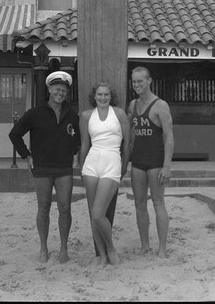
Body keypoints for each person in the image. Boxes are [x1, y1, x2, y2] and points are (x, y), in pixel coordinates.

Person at [9, 71, 80, 264]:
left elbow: (77, 139)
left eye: (64, 90)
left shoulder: (73, 116)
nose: (60, 93)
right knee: (44, 207)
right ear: (49, 89)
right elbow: (14, 134)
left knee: (65, 208)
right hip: (42, 168)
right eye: (57, 89)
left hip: (64, 169)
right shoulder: (35, 113)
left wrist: (74, 153)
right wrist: (27, 155)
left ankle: (64, 248)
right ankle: (43, 248)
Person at [79, 82, 130, 266]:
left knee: (99, 213)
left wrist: (124, 166)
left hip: (112, 161)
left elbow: (127, 144)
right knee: (94, 215)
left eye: (106, 94)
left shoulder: (119, 114)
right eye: (99, 94)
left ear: (111, 96)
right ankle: (100, 254)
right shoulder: (86, 116)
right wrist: (81, 166)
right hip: (92, 163)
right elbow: (85, 144)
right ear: (94, 96)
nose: (102, 97)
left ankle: (111, 248)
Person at [127, 66, 174, 258]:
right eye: (134, 81)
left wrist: (167, 166)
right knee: (139, 203)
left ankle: (162, 248)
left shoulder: (160, 105)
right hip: (138, 160)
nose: (137, 84)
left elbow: (168, 136)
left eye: (140, 81)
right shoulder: (132, 105)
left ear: (149, 81)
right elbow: (128, 132)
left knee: (158, 203)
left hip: (155, 161)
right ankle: (144, 245)